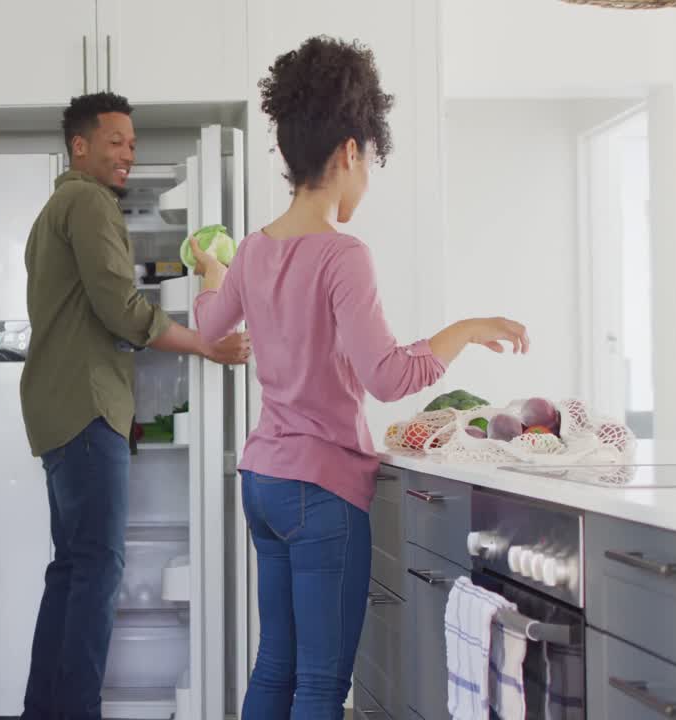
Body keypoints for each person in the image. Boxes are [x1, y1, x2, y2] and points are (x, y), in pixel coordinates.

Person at [189, 36, 530, 719]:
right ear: (349, 151)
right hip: (321, 492)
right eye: (370, 162)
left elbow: (206, 326)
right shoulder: (344, 256)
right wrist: (466, 328)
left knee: (275, 667)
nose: (367, 178)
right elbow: (388, 376)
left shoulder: (253, 251)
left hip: (264, 483)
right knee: (320, 684)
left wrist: (211, 269)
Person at [18, 91, 251, 720]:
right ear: (80, 146)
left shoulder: (51, 212)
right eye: (115, 141)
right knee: (96, 570)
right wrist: (207, 343)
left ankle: (45, 710)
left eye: (132, 144)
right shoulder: (90, 202)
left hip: (56, 410)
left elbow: (100, 302)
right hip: (87, 407)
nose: (127, 153)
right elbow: (121, 310)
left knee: (70, 569)